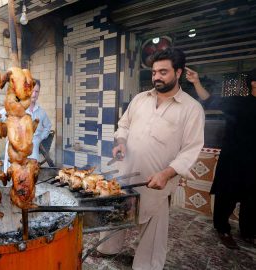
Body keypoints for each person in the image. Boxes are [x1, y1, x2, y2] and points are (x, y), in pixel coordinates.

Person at [95, 48, 205, 270]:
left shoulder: (191, 109)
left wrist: (167, 173)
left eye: (163, 72)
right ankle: (108, 248)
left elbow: (191, 149)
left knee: (153, 226)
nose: (157, 77)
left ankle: (147, 265)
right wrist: (121, 142)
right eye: (154, 72)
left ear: (179, 72)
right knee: (116, 212)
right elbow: (123, 125)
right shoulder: (140, 99)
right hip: (125, 172)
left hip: (157, 180)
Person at [186, 67, 256, 249]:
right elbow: (209, 100)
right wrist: (196, 82)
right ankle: (222, 228)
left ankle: (248, 231)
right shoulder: (239, 102)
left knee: (251, 199)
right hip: (234, 158)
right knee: (227, 196)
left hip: (254, 162)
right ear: (254, 83)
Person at [0, 79, 52, 172]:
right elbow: (0, 116)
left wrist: (40, 138)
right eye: (32, 91)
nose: (34, 94)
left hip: (32, 149)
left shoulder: (41, 112)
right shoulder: (17, 106)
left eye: (37, 91)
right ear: (28, 91)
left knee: (30, 176)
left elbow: (48, 126)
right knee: (15, 176)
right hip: (15, 149)